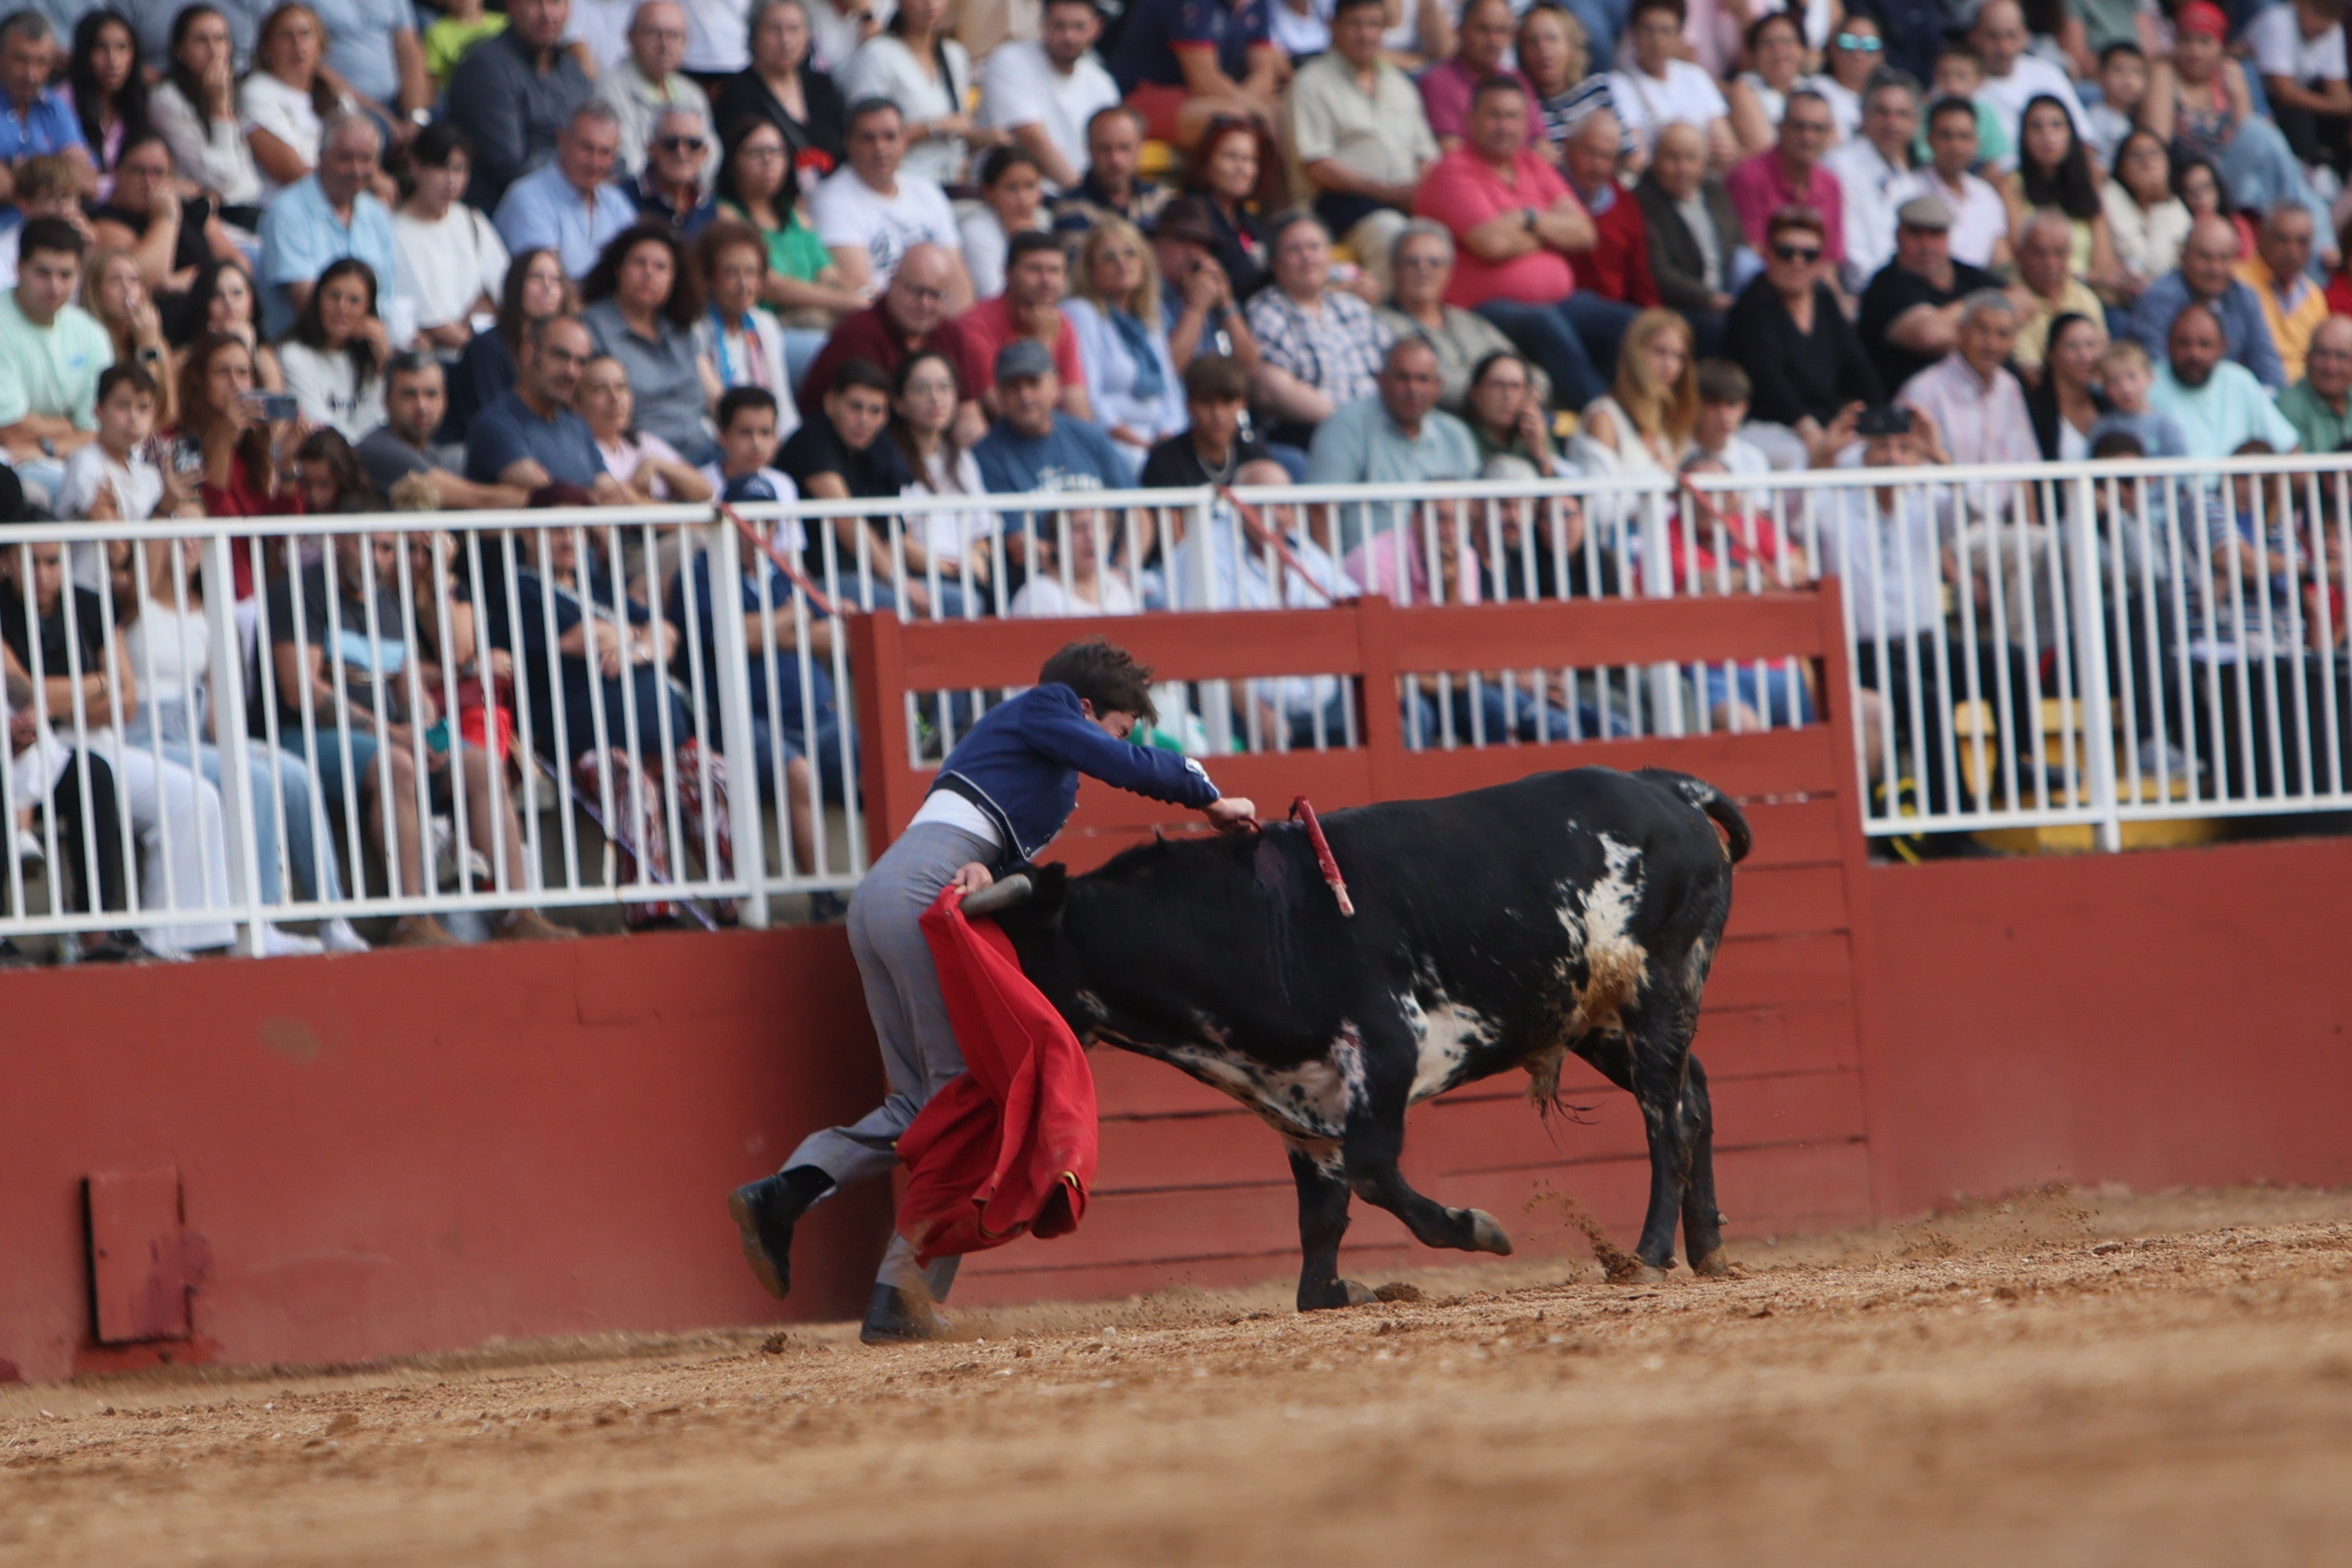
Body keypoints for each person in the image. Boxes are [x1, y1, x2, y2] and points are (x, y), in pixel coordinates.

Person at [729, 635, 1253, 1342]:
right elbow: (1116, 762)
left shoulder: (1030, 761)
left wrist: (985, 871)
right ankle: (899, 1298)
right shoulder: (1049, 707)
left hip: (892, 893)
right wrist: (1207, 795)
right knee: (970, 1105)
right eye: (1122, 726)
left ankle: (787, 1193)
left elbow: (979, 841)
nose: (1121, 742)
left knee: (923, 1104)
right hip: (918, 893)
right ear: (1089, 706)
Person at [266, 528, 577, 948]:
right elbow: (300, 690)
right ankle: (411, 917)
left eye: (385, 548)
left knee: (480, 764)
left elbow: (411, 689)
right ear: (337, 543)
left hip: (388, 740)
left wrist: (425, 729)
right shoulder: (301, 593)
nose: (375, 558)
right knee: (399, 765)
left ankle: (517, 911)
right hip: (306, 736)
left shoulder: (389, 603)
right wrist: (394, 734)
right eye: (365, 545)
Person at [117, 527, 369, 955]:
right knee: (252, 779)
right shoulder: (131, 602)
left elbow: (217, 716)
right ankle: (261, 917)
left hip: (191, 736)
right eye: (178, 531)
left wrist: (248, 746)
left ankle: (333, 917)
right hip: (143, 737)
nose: (189, 543)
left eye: (198, 534)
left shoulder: (213, 613)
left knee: (290, 771)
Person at [1, 536, 238, 957]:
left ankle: (175, 943)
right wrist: (96, 684)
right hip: (30, 746)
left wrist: (60, 698)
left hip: (97, 741)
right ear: (8, 563)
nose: (43, 574)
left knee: (197, 798)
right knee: (92, 773)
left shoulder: (89, 604)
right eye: (31, 563)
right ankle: (92, 931)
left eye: (53, 562)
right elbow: (23, 694)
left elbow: (125, 704)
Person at [504, 513, 721, 930]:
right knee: (632, 784)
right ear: (528, 534)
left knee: (716, 776)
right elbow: (581, 638)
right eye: (554, 528)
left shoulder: (600, 589)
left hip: (662, 742)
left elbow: (667, 632)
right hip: (587, 746)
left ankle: (736, 906)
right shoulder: (520, 589)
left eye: (573, 527)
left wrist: (638, 648)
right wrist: (634, 636)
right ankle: (651, 917)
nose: (567, 537)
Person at [1414, 77, 1623, 412]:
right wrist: (1551, 234)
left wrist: (1527, 219)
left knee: (1628, 324)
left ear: (1527, 124)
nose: (1504, 126)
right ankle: (1604, 418)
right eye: (1494, 115)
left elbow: (1586, 233)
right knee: (1543, 324)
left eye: (1513, 117)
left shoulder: (1533, 165)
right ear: (1470, 119)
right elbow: (1492, 243)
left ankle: (1643, 421)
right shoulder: (1451, 171)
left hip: (1562, 301)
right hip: (1482, 311)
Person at [2147, 1, 2333, 250]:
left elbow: (2246, 140)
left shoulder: (2229, 72)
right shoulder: (2166, 73)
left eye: (2204, 42)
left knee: (2264, 145)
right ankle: (2319, 233)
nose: (2195, 51)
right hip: (2190, 177)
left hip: (2232, 179)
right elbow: (2158, 143)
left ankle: (2298, 235)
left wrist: (2234, 96)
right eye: (2187, 40)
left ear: (2221, 46)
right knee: (2263, 135)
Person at [1291, 0, 1436, 299]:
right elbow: (1317, 165)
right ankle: (1392, 329)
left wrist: (1419, 193)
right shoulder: (1311, 83)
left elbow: (1427, 155)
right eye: (1356, 24)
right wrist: (1386, 192)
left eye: (1373, 25)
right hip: (1343, 207)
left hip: (1407, 202)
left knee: (1439, 236)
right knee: (1395, 237)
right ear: (1334, 27)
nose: (1365, 34)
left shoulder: (1401, 85)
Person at [1724, 204, 1879, 462]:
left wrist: (1878, 418)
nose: (1797, 262)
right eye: (1786, 252)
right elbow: (1768, 379)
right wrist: (1809, 431)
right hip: (1768, 426)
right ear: (1768, 255)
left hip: (1824, 422)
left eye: (1809, 254)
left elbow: (1856, 364)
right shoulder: (1753, 303)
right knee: (1800, 456)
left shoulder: (1824, 299)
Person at [775, 355, 925, 598]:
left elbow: (888, 530)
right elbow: (845, 519)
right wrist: (897, 581)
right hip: (816, 578)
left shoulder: (880, 448)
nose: (864, 419)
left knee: (958, 601)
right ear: (830, 403)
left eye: (875, 411)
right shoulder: (811, 441)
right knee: (895, 607)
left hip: (869, 573)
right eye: (856, 407)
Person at [1243, 210, 1393, 447]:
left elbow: (1393, 368)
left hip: (1381, 430)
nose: (1307, 257)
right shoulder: (1266, 310)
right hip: (1312, 436)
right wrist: (1350, 426)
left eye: (1315, 247)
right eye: (1295, 250)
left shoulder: (1352, 307)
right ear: (1275, 263)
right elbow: (1273, 389)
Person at [798, 241, 983, 430]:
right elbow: (865, 423)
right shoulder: (857, 335)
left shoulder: (950, 335)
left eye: (935, 295)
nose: (925, 304)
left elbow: (968, 412)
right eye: (916, 291)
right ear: (892, 284)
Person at [809, 98, 969, 307]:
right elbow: (859, 287)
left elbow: (957, 281)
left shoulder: (927, 193)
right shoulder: (832, 201)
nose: (880, 148)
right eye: (868, 139)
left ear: (904, 140)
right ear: (848, 142)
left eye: (890, 137)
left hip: (935, 320)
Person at [579, 224, 718, 464]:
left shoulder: (682, 328)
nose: (649, 273)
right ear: (618, 269)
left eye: (660, 267)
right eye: (639, 263)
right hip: (640, 459)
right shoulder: (591, 328)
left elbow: (716, 398)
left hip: (705, 451)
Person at [1373, 219, 1545, 413]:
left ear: (1448, 271)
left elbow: (1533, 374)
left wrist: (1521, 392)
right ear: (1394, 269)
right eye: (1412, 262)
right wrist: (1499, 394)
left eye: (1434, 263)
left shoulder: (1467, 320)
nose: (1423, 269)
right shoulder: (1379, 323)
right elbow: (1431, 387)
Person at [714, 115, 863, 337]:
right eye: (756, 152)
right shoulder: (727, 215)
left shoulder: (796, 215)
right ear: (733, 161)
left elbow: (827, 275)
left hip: (818, 318)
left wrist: (863, 300)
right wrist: (851, 302)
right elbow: (771, 286)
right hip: (765, 327)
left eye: (776, 152)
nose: (768, 160)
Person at [253, 112, 395, 340]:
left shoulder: (378, 215)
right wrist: (370, 331)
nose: (357, 170)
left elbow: (387, 298)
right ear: (321, 157)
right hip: (300, 350)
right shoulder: (287, 212)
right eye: (346, 158)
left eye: (366, 159)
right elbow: (308, 304)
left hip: (367, 350)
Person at [448, 0, 597, 210]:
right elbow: (512, 167)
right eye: (535, 3)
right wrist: (588, 167)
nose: (547, 14)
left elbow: (599, 138)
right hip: (510, 209)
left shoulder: (571, 69)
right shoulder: (485, 69)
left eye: (555, 3)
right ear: (512, 6)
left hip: (575, 201)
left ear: (568, 8)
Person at [1063, 215, 1184, 469]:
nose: (1122, 263)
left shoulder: (1152, 315)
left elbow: (1171, 394)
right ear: (1090, 269)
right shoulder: (1081, 313)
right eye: (1109, 257)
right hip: (1112, 444)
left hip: (1158, 443)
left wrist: (1168, 441)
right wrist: (1143, 446)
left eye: (1130, 253)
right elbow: (1090, 400)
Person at [466, 313, 633, 497]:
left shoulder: (578, 426)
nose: (571, 372)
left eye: (581, 362)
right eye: (560, 356)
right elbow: (551, 495)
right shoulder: (497, 423)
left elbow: (613, 494)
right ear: (529, 353)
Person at [0, 217, 112, 485]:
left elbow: (101, 430)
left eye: (66, 275)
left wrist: (46, 448)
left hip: (67, 460)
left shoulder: (91, 333)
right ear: (18, 268)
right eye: (43, 273)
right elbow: (10, 430)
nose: (55, 287)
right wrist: (69, 427)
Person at [173, 332, 305, 558]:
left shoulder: (252, 446)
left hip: (250, 584)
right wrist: (225, 437)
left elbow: (282, 530)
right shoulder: (178, 440)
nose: (235, 383)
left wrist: (287, 463)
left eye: (243, 373)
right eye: (222, 373)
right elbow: (216, 509)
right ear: (200, 380)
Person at [839, 0, 992, 188]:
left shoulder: (955, 55)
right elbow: (864, 136)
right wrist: (933, 127)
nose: (930, 5)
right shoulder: (877, 54)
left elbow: (961, 125)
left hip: (953, 182)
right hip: (902, 182)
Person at [1304, 335, 1478, 499]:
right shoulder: (1344, 426)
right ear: (1381, 380)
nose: (1413, 389)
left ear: (1438, 385)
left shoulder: (1455, 434)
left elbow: (1474, 509)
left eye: (1423, 379)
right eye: (1403, 378)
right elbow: (1320, 509)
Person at [2126, 215, 2286, 391]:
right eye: (2205, 257)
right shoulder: (2159, 299)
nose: (2215, 269)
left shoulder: (2245, 298)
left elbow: (2269, 370)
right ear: (2183, 256)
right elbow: (2155, 372)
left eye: (2224, 258)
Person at [358, 351, 537, 507]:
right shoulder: (379, 449)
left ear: (444, 401)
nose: (422, 406)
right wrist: (540, 498)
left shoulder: (435, 454)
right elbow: (479, 500)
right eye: (409, 395)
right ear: (387, 400)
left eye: (431, 394)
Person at [974, 0, 1118, 194]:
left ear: (1096, 28)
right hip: (1017, 201)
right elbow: (1032, 140)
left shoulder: (1102, 82)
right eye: (1060, 26)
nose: (1069, 36)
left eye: (1078, 26)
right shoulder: (1010, 61)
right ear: (1042, 24)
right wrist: (1079, 195)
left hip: (1078, 200)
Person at [393, 123, 510, 358]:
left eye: (459, 170)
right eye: (441, 168)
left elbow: (505, 288)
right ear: (416, 166)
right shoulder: (395, 231)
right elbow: (428, 321)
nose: (451, 181)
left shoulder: (471, 221)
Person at [1859, 193, 1995, 396]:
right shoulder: (1886, 285)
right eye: (1915, 233)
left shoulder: (1968, 274)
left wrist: (1957, 323)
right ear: (1898, 236)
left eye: (1935, 234)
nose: (1926, 245)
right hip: (1914, 408)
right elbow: (1930, 335)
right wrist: (1988, 312)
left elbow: (2023, 300)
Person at [887, 348, 997, 598]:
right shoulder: (889, 460)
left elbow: (981, 535)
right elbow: (896, 541)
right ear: (899, 402)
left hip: (966, 577)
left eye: (945, 387)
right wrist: (946, 569)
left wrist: (977, 558)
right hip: (921, 579)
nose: (935, 398)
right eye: (922, 389)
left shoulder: (963, 459)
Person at [1107, 0, 1285, 152]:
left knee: (1290, 116)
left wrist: (1260, 112)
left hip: (1214, 96)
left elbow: (1264, 72)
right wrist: (1258, 112)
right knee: (1230, 121)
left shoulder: (1256, 4)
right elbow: (1204, 81)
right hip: (1146, 94)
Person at [1636, 119, 1748, 355]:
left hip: (1729, 295)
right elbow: (1659, 271)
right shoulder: (1643, 202)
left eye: (1691, 158)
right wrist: (1709, 298)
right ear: (1655, 159)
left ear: (1703, 162)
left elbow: (1739, 244)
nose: (1682, 168)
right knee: (1721, 329)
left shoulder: (1715, 192)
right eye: (1673, 158)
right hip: (1682, 306)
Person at [493, 100, 640, 279]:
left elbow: (638, 264)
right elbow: (549, 286)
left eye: (605, 153)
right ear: (562, 142)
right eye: (587, 149)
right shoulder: (528, 198)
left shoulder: (615, 202)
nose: (595, 163)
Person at [2002, 94, 2124, 302]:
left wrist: (2088, 280)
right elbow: (2021, 253)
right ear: (2024, 136)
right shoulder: (2011, 186)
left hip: (2088, 295)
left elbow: (2104, 262)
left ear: (2070, 134)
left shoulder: (2088, 185)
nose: (2048, 135)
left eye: (2057, 126)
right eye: (2037, 127)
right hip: (2036, 295)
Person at [444, 246, 574, 441]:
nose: (547, 287)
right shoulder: (487, 348)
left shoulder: (572, 350)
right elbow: (490, 421)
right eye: (536, 277)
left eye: (555, 280)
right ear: (516, 285)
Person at [1895, 289, 2036, 468]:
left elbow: (2026, 463)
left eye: (2002, 334)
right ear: (1961, 331)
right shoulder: (1924, 389)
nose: (1992, 344)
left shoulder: (2009, 386)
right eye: (1983, 331)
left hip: (2006, 497)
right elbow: (1904, 461)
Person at [712, 0, 848, 184]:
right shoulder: (737, 92)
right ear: (754, 35)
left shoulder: (821, 85)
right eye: (774, 30)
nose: (786, 40)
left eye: (794, 29)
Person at [146, 7, 262, 223]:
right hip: (204, 217)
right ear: (180, 50)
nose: (213, 50)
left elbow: (249, 183)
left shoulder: (233, 89)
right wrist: (220, 108)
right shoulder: (166, 99)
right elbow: (221, 179)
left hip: (244, 207)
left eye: (220, 39)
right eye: (201, 41)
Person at [89, 130, 235, 299]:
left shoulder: (191, 209)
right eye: (138, 171)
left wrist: (188, 281)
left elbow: (237, 264)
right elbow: (144, 280)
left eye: (158, 173)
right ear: (117, 171)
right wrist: (165, 218)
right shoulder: (106, 220)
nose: (148, 182)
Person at [972, 337, 1130, 494]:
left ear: (1055, 385)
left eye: (1034, 384)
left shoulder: (1089, 436)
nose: (1025, 396)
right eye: (1013, 387)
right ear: (999, 395)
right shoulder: (987, 457)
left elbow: (1136, 505)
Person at [961, 231, 1090, 420]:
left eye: (1054, 271)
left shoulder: (1061, 322)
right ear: (1007, 273)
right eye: (1034, 270)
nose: (1046, 280)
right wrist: (1043, 342)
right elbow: (1003, 408)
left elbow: (1076, 403)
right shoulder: (975, 325)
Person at [2148, 302, 2299, 460]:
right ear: (2169, 345)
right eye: (2184, 344)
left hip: (2233, 484)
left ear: (2222, 348)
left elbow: (2288, 445)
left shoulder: (2239, 380)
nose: (2194, 354)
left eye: (2204, 345)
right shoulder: (2148, 382)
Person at [694, 219, 803, 430]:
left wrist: (789, 445)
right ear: (709, 278)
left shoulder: (765, 324)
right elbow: (712, 409)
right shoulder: (695, 329)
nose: (744, 285)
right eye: (731, 273)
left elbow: (781, 400)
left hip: (768, 439)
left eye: (751, 272)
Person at [575, 349, 714, 509]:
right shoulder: (579, 451)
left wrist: (655, 464)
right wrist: (689, 521)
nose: (614, 398)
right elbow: (623, 504)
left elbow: (705, 491)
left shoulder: (642, 442)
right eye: (600, 389)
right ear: (576, 404)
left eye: (621, 387)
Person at [598, 1, 714, 184]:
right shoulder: (609, 89)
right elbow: (627, 160)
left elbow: (710, 156)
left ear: (685, 42)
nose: (665, 45)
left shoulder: (693, 93)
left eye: (674, 35)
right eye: (654, 34)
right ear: (630, 37)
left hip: (689, 197)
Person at [1607, 0, 1734, 168]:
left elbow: (1726, 143)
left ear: (1679, 35)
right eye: (1648, 30)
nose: (1657, 40)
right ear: (1634, 33)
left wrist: (1720, 152)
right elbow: (1635, 158)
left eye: (1665, 31)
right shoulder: (1617, 84)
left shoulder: (1695, 76)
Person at [1890, 96, 2010, 271]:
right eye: (1946, 136)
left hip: (1980, 292)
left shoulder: (1986, 194)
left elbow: (2001, 262)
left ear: (1975, 142)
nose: (1956, 146)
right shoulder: (1904, 189)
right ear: (1929, 140)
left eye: (1964, 137)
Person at [1821, 70, 1917, 291]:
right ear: (1863, 115)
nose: (1892, 124)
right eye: (1883, 113)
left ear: (1914, 123)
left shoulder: (1907, 181)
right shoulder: (1838, 166)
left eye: (1902, 115)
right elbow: (1852, 258)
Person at [239, 3, 344, 202]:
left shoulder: (336, 97)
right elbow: (292, 172)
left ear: (320, 46)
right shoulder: (257, 91)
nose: (298, 44)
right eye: (286, 36)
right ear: (267, 47)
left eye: (305, 34)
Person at [1576, 306, 1695, 477]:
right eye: (1660, 352)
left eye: (1678, 356)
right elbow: (1600, 500)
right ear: (1634, 353)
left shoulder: (1667, 421)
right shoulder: (1603, 418)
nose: (1670, 366)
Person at [1148, 194, 1261, 373]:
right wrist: (1195, 309)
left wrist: (1227, 303)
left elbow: (1251, 370)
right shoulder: (1145, 297)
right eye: (1182, 240)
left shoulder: (1209, 291)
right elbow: (1164, 371)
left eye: (1201, 245)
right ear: (1154, 244)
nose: (1193, 253)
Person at [279, 255, 386, 440]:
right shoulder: (293, 355)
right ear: (318, 298)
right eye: (334, 296)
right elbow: (319, 425)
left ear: (368, 309)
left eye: (354, 301)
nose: (342, 308)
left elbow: (375, 423)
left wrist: (382, 364)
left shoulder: (366, 360)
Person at [1560, 110, 1659, 310]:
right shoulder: (1545, 192)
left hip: (1617, 311)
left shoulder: (1625, 203)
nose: (1598, 166)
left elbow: (1640, 276)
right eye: (1590, 153)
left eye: (1606, 157)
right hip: (1566, 307)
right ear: (1569, 148)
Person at [1967, 0, 2089, 152]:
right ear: (1974, 37)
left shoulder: (2048, 74)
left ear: (2025, 36)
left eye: (2011, 36)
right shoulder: (1959, 85)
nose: (2003, 47)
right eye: (1993, 37)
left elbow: (2083, 138)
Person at [0, 12, 94, 207]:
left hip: (52, 225)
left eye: (41, 62)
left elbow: (89, 182)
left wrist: (16, 171)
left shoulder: (55, 107)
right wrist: (57, 171)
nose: (31, 74)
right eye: (21, 60)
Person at [2248, 0, 2351, 175]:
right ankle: (2308, 171)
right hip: (2264, 102)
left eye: (2331, 16)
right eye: (2318, 12)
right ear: (2301, 3)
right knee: (2297, 114)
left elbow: (2338, 89)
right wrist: (2339, 106)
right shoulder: (2277, 21)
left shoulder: (2333, 30)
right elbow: (2283, 91)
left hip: (2304, 97)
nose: (2322, 23)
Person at [1417, 0, 1535, 150]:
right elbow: (1451, 151)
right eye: (1483, 30)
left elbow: (1540, 145)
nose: (1493, 40)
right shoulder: (1437, 82)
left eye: (1501, 31)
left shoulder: (1517, 81)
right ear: (1461, 30)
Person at [1140, 351, 1270, 487]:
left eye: (1227, 403)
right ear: (1189, 405)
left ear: (1242, 404)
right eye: (1206, 402)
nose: (1218, 414)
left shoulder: (1254, 455)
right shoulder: (1165, 460)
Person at [2006, 210, 2104, 384]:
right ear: (2020, 253)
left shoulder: (2085, 298)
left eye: (2059, 253)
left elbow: (2101, 364)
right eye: (2040, 253)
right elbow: (2032, 376)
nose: (2051, 264)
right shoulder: (2009, 301)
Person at [78, 247, 173, 426]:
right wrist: (147, 348)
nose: (127, 289)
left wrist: (149, 345)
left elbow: (165, 410)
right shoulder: (89, 341)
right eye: (115, 281)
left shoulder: (152, 339)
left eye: (134, 280)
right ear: (96, 291)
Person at [2235, 207, 2327, 388]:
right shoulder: (2237, 282)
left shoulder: (2314, 294)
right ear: (2262, 238)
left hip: (2307, 395)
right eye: (2282, 240)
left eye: (2302, 242)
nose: (2292, 251)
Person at [1184, 116, 1271, 304]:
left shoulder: (1249, 221)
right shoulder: (1191, 216)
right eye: (1231, 157)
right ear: (1206, 163)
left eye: (1250, 160)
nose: (1242, 168)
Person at [65, 9, 148, 200]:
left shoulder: (137, 101)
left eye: (122, 48)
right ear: (85, 53)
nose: (113, 59)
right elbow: (78, 180)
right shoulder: (63, 102)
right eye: (101, 48)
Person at [1050, 105, 1170, 237]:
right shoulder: (1069, 207)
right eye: (1105, 149)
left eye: (1124, 148)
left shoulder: (1161, 200)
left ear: (1140, 147)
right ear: (1089, 149)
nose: (1115, 159)